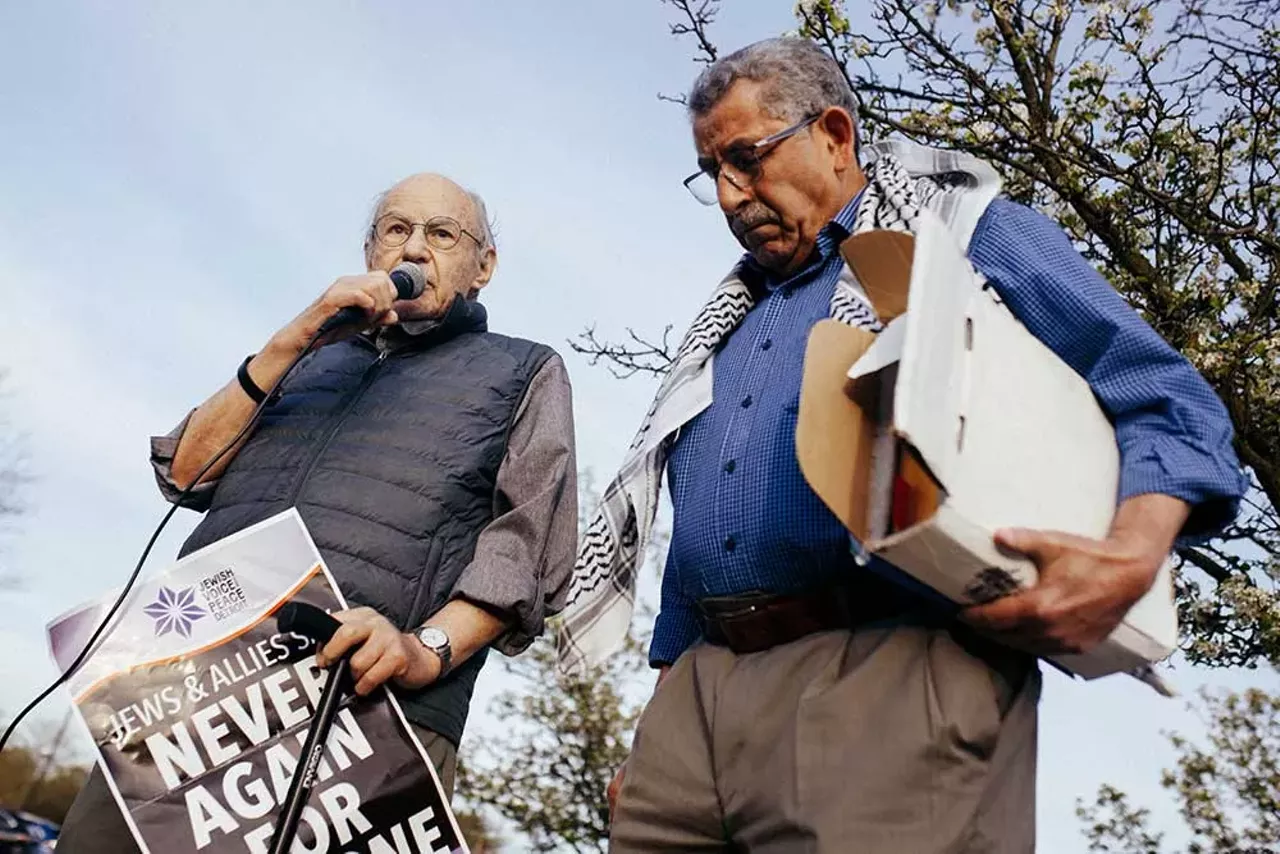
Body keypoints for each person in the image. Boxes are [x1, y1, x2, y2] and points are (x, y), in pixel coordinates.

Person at [558, 38, 1246, 853]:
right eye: (711, 172)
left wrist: (1132, 550)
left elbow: (1164, 397)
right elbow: (705, 522)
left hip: (888, 670)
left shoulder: (965, 238)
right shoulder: (731, 319)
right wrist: (668, 716)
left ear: (837, 134)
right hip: (694, 705)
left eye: (747, 158)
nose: (730, 194)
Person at [58, 173, 578, 852]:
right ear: (369, 251)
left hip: (369, 711)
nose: (414, 249)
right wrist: (292, 340)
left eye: (442, 234)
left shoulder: (524, 370)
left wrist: (423, 652)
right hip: (191, 698)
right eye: (396, 230)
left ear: (484, 267)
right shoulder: (305, 360)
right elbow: (187, 472)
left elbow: (527, 553)